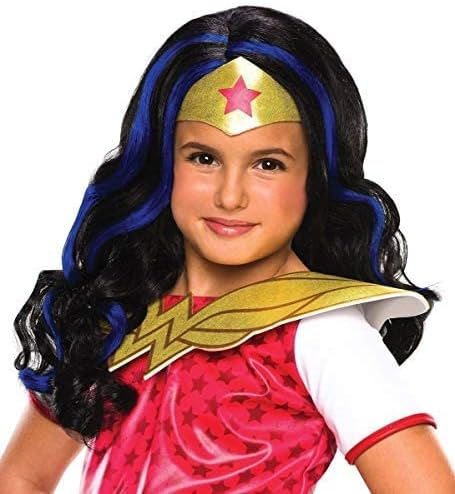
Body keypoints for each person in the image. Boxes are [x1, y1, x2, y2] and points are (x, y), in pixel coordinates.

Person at [1, 5, 454, 493]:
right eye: (203, 158)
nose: (230, 196)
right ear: (162, 162)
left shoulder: (324, 332)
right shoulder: (118, 313)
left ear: (315, 175)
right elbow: (22, 476)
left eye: (268, 164)